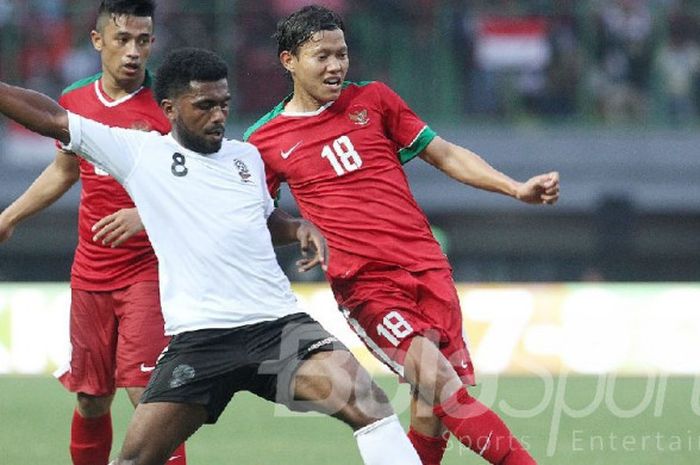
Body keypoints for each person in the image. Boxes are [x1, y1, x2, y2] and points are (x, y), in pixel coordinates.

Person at [0, 47, 425, 465]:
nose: (218, 115)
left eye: (223, 103)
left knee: (371, 406)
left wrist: (297, 228)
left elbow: (263, 217)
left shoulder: (245, 158)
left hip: (276, 326)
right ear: (169, 107)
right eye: (204, 105)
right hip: (201, 340)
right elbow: (54, 119)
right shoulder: (140, 153)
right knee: (135, 458)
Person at [245, 6, 560, 465]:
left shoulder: (373, 100)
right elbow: (255, 217)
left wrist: (515, 187)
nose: (336, 66)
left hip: (427, 267)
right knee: (443, 386)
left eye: (342, 54)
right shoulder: (264, 140)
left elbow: (446, 154)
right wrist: (298, 232)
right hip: (368, 285)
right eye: (322, 56)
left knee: (430, 407)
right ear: (288, 60)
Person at [0, 2, 188, 464]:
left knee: (149, 399)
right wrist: (9, 217)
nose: (133, 52)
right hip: (90, 273)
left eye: (143, 41)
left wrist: (144, 217)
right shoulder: (75, 100)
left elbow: (197, 191)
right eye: (122, 39)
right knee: (90, 399)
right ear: (97, 40)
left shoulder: (170, 108)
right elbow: (65, 170)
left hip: (149, 272)